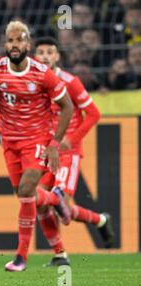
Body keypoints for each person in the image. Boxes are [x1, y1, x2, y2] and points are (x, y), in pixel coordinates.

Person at [0, 21, 74, 272]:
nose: (14, 45)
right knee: (27, 197)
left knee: (26, 190)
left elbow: (68, 105)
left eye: (19, 40)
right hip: (9, 141)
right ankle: (54, 199)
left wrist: (54, 144)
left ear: (28, 44)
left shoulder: (41, 73)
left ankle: (21, 257)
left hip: (37, 139)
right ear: (6, 43)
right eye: (10, 40)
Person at [34, 37, 114, 266]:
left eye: (50, 52)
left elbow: (94, 113)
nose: (45, 56)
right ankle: (61, 253)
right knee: (39, 200)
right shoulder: (33, 84)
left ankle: (98, 220)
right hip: (47, 153)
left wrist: (72, 139)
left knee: (60, 201)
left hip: (68, 153)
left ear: (57, 56)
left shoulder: (70, 82)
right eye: (41, 52)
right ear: (35, 57)